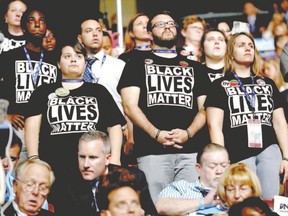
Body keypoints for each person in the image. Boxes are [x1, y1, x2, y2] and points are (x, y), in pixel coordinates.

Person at [117, 10, 211, 204]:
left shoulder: (196, 67)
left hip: (190, 150)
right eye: (160, 24)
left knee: (190, 207)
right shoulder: (135, 63)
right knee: (157, 207)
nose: (167, 26)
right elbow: (129, 105)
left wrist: (189, 132)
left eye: (170, 23)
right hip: (152, 149)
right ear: (150, 33)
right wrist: (156, 133)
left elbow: (205, 108)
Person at [24, 41, 126, 214]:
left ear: (85, 63)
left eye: (79, 56)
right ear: (58, 63)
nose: (73, 60)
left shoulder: (99, 91)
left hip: (93, 169)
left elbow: (114, 126)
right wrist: (34, 159)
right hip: (56, 169)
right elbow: (32, 126)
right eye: (67, 56)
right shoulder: (43, 91)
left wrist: (114, 160)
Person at [204, 32, 288, 200]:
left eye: (250, 45)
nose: (247, 48)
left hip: (269, 149)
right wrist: (222, 161)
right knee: (243, 202)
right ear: (231, 53)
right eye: (241, 45)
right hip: (236, 151)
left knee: (269, 202)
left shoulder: (268, 83)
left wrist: (286, 156)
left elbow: (279, 122)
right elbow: (214, 126)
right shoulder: (219, 85)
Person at [0, 6, 61, 164]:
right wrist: (4, 115)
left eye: (41, 21)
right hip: (19, 129)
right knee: (19, 177)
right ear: (23, 27)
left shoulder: (54, 60)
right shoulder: (8, 57)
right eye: (31, 20)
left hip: (48, 129)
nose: (37, 24)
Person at [66, 130, 157, 216]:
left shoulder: (134, 177)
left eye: (92, 157)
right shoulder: (71, 185)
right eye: (82, 157)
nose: (85, 164)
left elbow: (150, 213)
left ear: (107, 159)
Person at [77, 17, 127, 165]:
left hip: (114, 131)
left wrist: (130, 133)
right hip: (81, 128)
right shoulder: (75, 65)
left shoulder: (119, 65)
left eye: (98, 30)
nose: (95, 34)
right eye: (89, 31)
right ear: (80, 38)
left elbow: (128, 101)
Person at [155, 143, 230, 216]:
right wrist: (203, 202)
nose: (219, 171)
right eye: (212, 166)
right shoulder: (181, 187)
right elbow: (160, 207)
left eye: (224, 166)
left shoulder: (237, 191)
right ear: (199, 168)